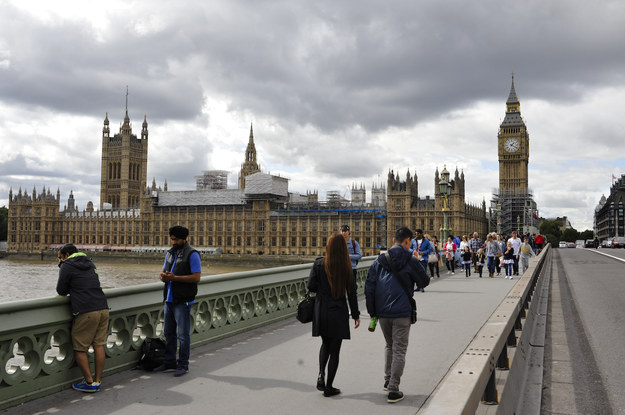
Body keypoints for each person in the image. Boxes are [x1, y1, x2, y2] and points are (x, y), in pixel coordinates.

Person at [365, 227, 429, 403]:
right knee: (399, 349)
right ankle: (393, 389)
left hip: (383, 313)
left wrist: (373, 313)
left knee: (389, 346)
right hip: (401, 312)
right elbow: (424, 281)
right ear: (408, 241)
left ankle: (387, 380)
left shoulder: (379, 260)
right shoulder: (409, 259)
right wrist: (417, 261)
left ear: (394, 240)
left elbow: (369, 288)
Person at [308, 233, 360, 397]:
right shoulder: (347, 268)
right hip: (338, 310)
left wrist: (323, 290)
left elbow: (311, 286)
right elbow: (351, 294)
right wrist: (356, 315)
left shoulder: (319, 264)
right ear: (344, 249)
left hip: (321, 309)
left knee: (325, 344)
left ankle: (320, 374)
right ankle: (329, 387)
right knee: (335, 350)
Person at [56, 243, 109, 393]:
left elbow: (61, 291)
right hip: (103, 307)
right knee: (99, 345)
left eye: (59, 257)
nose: (59, 260)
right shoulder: (90, 262)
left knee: (80, 348)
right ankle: (97, 381)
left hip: (86, 310)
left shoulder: (67, 265)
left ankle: (89, 382)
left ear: (66, 255)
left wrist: (62, 266)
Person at [155, 226, 201, 377]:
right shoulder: (169, 253)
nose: (173, 241)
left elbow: (196, 277)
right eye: (172, 239)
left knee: (182, 334)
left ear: (184, 239)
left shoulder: (192, 254)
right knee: (169, 333)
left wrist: (174, 278)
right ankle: (169, 362)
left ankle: (183, 364)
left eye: (176, 239)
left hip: (183, 300)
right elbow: (164, 272)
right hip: (169, 298)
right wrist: (163, 276)